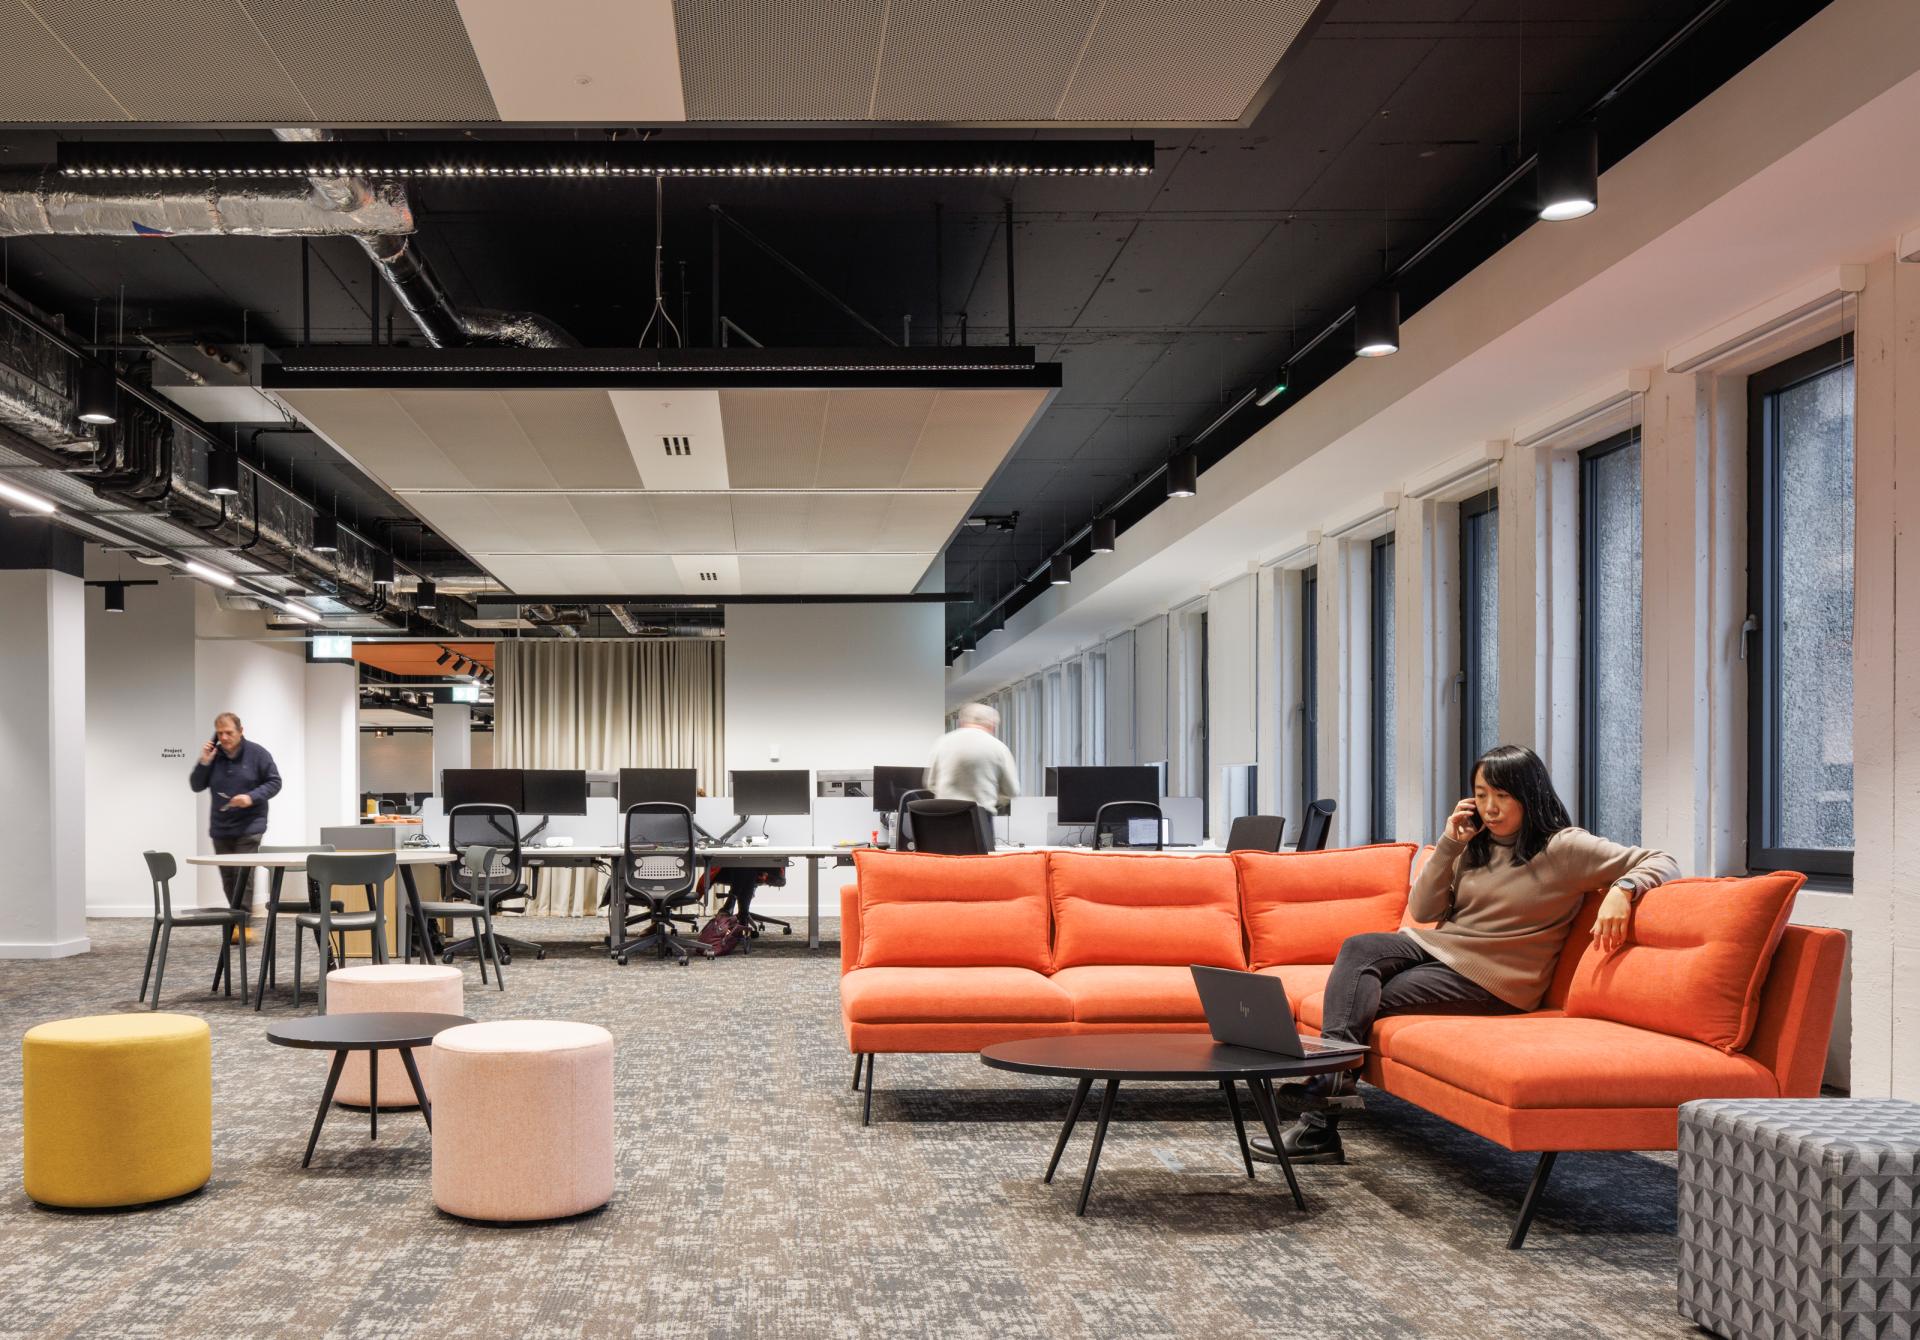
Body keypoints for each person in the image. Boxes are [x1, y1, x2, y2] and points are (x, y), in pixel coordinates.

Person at [1253, 744, 1678, 1166]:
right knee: (1360, 948)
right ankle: (1327, 1095)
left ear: (1530, 796)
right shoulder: (1474, 845)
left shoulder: (1564, 848)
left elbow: (1662, 861)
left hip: (1495, 978)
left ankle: (1319, 1118)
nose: (1490, 808)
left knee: (1360, 999)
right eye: (1480, 794)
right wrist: (1449, 845)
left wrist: (1623, 890)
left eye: (1502, 796)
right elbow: (1423, 912)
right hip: (1442, 951)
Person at [188, 712, 283, 913]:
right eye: (220, 733)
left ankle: (243, 923)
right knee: (228, 877)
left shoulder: (258, 754)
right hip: (221, 827)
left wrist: (251, 797)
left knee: (244, 874)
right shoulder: (214, 756)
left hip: (250, 826)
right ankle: (236, 919)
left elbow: (275, 782)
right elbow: (196, 785)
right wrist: (204, 762)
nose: (224, 738)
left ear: (241, 731)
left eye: (229, 732)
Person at [925, 703, 1019, 816]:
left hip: (943, 817)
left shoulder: (942, 742)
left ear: (962, 722)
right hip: (978, 817)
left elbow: (931, 783)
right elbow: (1012, 791)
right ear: (992, 725)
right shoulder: (998, 747)